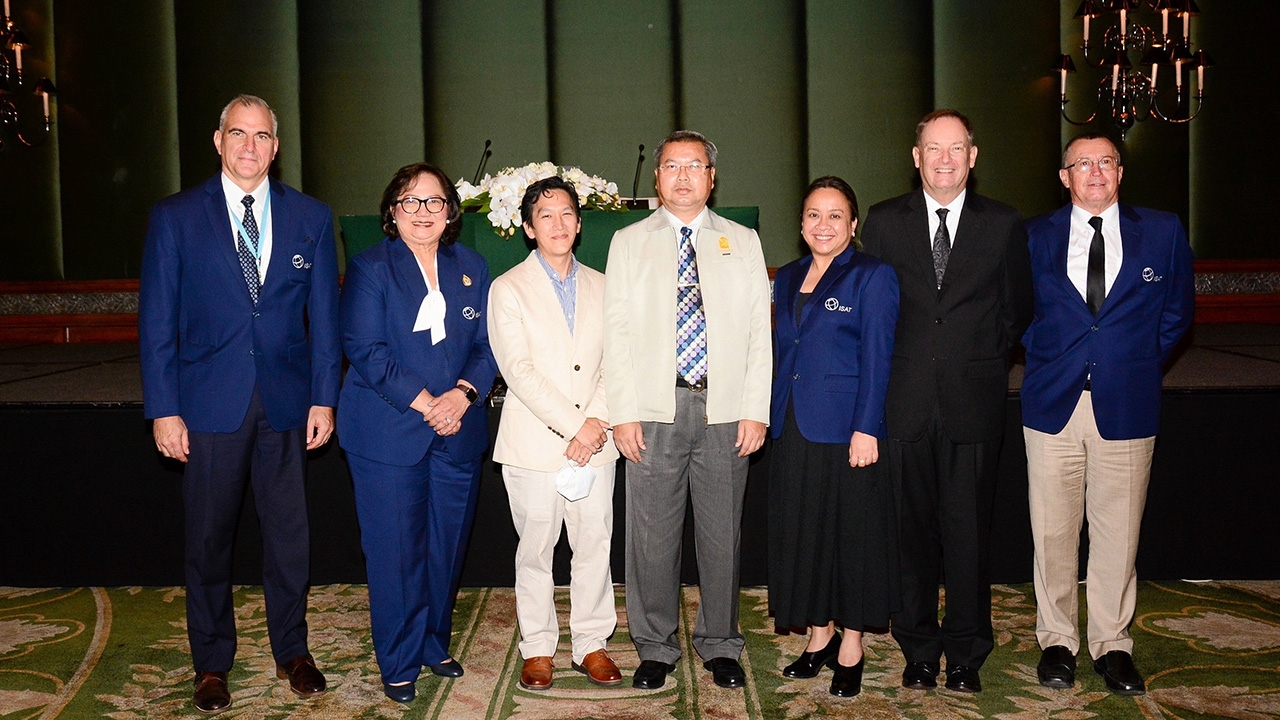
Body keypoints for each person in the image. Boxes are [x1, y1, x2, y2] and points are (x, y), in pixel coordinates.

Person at [139, 94, 340, 715]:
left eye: (261, 136)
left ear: (275, 148)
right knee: (208, 540)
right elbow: (157, 324)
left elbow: (326, 323)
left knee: (288, 539)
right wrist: (163, 409)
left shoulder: (310, 216)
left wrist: (324, 400)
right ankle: (211, 664)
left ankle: (294, 652)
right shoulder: (175, 218)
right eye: (238, 134)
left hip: (286, 403)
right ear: (218, 140)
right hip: (206, 408)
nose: (249, 146)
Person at [859, 109, 1034, 694]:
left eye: (955, 148)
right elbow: (876, 312)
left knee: (968, 534)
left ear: (972, 157)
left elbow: (1018, 309)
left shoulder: (1004, 224)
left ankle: (965, 652)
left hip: (973, 402)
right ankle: (917, 648)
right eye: (933, 148)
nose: (944, 158)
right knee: (910, 534)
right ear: (916, 158)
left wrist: (976, 355)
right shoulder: (883, 223)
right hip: (904, 402)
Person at [1022, 133, 1194, 696]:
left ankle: (1113, 644)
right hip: (1053, 404)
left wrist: (1134, 362)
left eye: (1105, 162)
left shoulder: (1163, 231)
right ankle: (1057, 641)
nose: (1095, 172)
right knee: (1051, 532)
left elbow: (1176, 315)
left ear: (1120, 172)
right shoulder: (1033, 236)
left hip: (1127, 403)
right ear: (1065, 176)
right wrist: (1054, 358)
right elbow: (1019, 314)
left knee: (1118, 534)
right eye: (1082, 164)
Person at [603, 130, 772, 691]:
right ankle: (655, 647)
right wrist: (623, 412)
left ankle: (721, 643)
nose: (682, 176)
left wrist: (755, 409)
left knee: (722, 535)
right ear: (657, 178)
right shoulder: (628, 241)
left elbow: (757, 333)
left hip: (725, 410)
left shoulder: (742, 240)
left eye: (694, 166)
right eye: (672, 166)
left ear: (711, 176)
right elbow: (617, 333)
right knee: (651, 536)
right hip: (653, 409)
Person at [336, 162, 497, 704]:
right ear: (392, 212)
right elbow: (365, 349)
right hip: (389, 432)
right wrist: (430, 403)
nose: (422, 212)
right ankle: (399, 659)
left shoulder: (472, 265)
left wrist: (463, 396)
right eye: (410, 201)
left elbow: (487, 345)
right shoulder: (370, 268)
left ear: (450, 211)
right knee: (396, 551)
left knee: (445, 548)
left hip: (458, 430)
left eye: (433, 202)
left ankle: (432, 643)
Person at [488, 176, 623, 691]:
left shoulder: (605, 285)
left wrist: (596, 424)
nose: (558, 224)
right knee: (536, 549)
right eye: (545, 216)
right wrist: (577, 427)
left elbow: (618, 362)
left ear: (579, 223)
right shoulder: (508, 289)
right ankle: (539, 647)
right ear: (528, 227)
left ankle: (592, 643)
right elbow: (518, 371)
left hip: (597, 443)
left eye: (567, 213)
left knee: (594, 545)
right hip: (534, 445)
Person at [768, 176, 900, 698]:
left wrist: (867, 426)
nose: (823, 225)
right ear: (801, 224)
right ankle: (817, 635)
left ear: (853, 224)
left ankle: (851, 643)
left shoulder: (873, 276)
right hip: (795, 424)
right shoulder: (788, 276)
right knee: (805, 531)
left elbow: (879, 355)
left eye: (835, 216)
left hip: (849, 429)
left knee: (852, 535)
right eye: (814, 215)